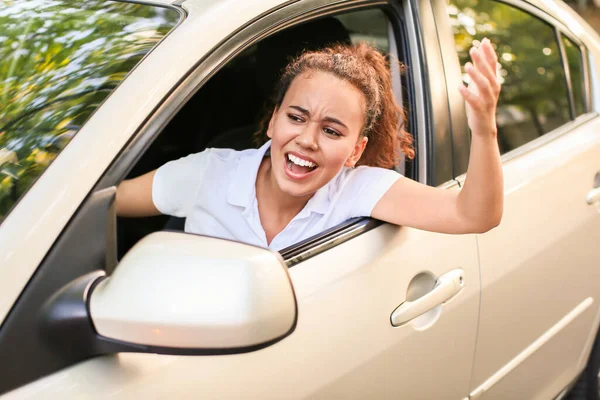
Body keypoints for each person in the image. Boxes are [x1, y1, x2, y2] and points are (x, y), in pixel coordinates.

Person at [116, 39, 503, 251]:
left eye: (332, 131)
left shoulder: (357, 188)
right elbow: (98, 205)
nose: (307, 140)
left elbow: (473, 216)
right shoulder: (209, 172)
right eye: (296, 118)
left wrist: (484, 130)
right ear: (273, 120)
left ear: (355, 150)